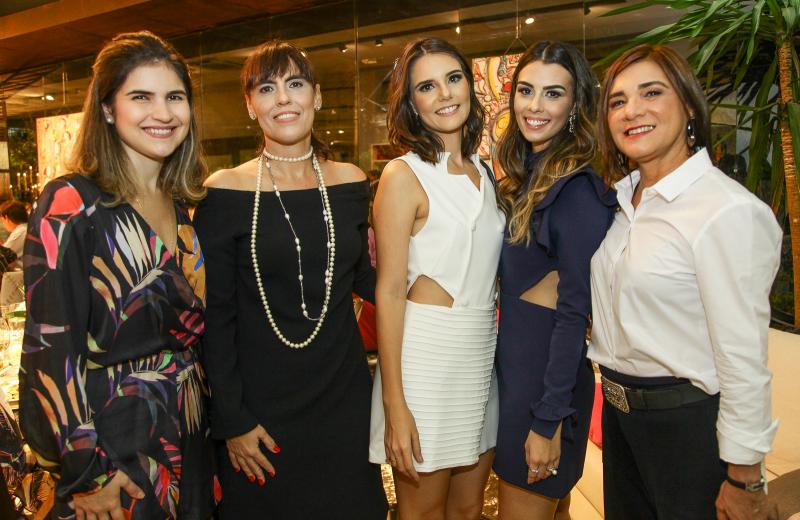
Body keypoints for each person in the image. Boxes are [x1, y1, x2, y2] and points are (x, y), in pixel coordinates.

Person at [18, 31, 217, 519]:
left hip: (190, 435)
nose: (163, 113)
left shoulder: (180, 204)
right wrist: (88, 472)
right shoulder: (71, 203)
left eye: (175, 97)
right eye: (141, 97)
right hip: (114, 447)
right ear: (108, 109)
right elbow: (50, 351)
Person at [194, 40, 387, 519]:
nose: (283, 98)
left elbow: (363, 279)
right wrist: (232, 419)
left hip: (343, 402)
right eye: (266, 88)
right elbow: (216, 319)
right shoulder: (223, 192)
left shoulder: (351, 182)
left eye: (295, 84)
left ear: (316, 96)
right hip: (260, 412)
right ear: (250, 105)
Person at [590, 44, 781, 520]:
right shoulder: (623, 204)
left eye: (651, 93)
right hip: (619, 421)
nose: (632, 110)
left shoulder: (725, 211)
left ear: (689, 107)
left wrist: (744, 475)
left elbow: (742, 358)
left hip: (688, 431)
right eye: (617, 101)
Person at [368, 37, 505, 519]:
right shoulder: (402, 175)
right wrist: (395, 403)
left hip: (479, 355)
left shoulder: (486, 173)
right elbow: (388, 292)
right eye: (427, 86)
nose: (445, 94)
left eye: (453, 78)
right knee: (423, 513)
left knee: (469, 510)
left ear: (469, 85)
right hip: (424, 363)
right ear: (411, 103)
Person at [491, 41, 616, 519]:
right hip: (521, 381)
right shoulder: (529, 177)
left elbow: (573, 314)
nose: (535, 106)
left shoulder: (577, 190)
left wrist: (547, 419)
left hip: (543, 392)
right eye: (526, 91)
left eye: (553, 93)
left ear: (575, 104)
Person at [0, 200, 27, 268]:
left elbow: (3, 257)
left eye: (2, 220)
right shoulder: (24, 229)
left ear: (6, 218)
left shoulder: (20, 232)